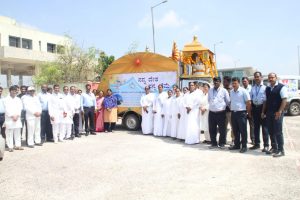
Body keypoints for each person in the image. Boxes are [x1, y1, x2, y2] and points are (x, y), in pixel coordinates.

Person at [263, 73, 287, 157]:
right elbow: (265, 101)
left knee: (278, 132)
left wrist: (279, 111)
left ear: (276, 78)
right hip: (269, 113)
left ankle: (281, 150)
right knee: (271, 131)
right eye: (269, 78)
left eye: (272, 77)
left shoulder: (281, 87)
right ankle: (274, 147)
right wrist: (263, 112)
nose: (271, 79)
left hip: (277, 113)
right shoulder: (268, 88)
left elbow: (284, 100)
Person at [228, 77, 251, 153]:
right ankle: (237, 145)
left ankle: (244, 146)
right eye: (233, 83)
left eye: (235, 83)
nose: (234, 85)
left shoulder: (243, 91)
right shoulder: (231, 92)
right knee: (235, 130)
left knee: (243, 131)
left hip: (241, 113)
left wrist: (248, 112)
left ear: (239, 83)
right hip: (233, 113)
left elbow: (248, 102)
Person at [249, 72, 269, 152]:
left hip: (262, 109)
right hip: (255, 108)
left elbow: (265, 101)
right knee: (256, 128)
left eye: (258, 76)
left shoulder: (265, 88)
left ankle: (266, 145)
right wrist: (250, 110)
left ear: (261, 77)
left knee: (264, 128)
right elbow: (250, 99)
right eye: (255, 77)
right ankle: (256, 144)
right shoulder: (253, 88)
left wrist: (263, 112)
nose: (256, 78)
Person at [208, 77, 230, 149]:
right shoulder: (210, 90)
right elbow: (209, 100)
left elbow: (228, 102)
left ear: (220, 82)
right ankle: (213, 143)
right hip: (211, 113)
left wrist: (221, 107)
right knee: (212, 129)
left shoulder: (224, 91)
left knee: (222, 129)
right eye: (214, 81)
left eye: (217, 81)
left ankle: (221, 143)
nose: (216, 83)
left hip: (221, 113)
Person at [4, 85, 24, 152]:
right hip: (10, 118)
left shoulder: (18, 99)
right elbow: (6, 109)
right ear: (10, 91)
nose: (14, 92)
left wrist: (17, 116)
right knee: (9, 133)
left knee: (17, 132)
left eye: (15, 91)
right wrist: (12, 116)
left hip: (17, 118)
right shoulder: (6, 99)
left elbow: (20, 108)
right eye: (13, 90)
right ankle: (10, 146)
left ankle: (18, 145)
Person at [242, 77, 255, 144]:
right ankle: (244, 139)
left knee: (252, 125)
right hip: (243, 109)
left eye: (245, 81)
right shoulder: (241, 89)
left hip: (250, 109)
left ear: (248, 81)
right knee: (243, 126)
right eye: (243, 81)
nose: (244, 82)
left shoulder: (252, 89)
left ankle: (253, 139)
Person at [223, 76, 234, 145]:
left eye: (225, 81)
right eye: (223, 81)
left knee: (233, 126)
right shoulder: (222, 90)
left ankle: (233, 139)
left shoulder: (232, 90)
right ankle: (223, 139)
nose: (223, 83)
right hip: (223, 111)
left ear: (228, 82)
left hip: (230, 111)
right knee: (223, 126)